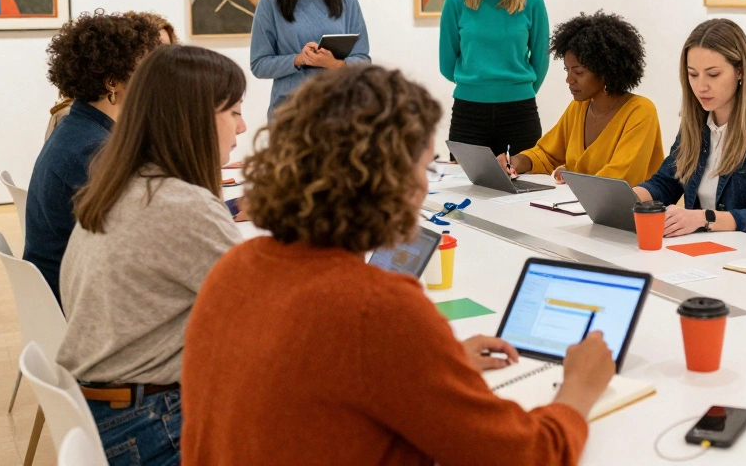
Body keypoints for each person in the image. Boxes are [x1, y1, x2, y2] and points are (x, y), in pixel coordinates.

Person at [181, 65, 616, 465]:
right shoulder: (377, 309)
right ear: (389, 177)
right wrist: (579, 388)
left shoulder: (236, 266)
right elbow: (529, 456)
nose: (426, 183)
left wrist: (431, 365)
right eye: (424, 167)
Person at [58, 45, 246, 465]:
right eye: (233, 112)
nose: (244, 126)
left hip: (105, 412)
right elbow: (270, 312)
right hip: (151, 424)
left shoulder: (121, 185)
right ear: (195, 118)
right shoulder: (180, 206)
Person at [24, 11, 164, 302]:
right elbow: (135, 240)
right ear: (113, 83)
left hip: (70, 284)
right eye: (145, 68)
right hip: (77, 299)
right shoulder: (91, 150)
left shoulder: (81, 129)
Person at [635, 19, 746, 236]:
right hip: (705, 251)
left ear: (740, 71)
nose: (701, 86)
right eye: (693, 74)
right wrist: (627, 198)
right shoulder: (695, 124)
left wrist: (704, 218)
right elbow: (666, 184)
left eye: (713, 74)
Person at [498, 11, 663, 186]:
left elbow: (618, 180)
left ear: (605, 72)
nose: (569, 80)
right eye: (567, 70)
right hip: (580, 208)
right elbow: (546, 154)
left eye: (578, 72)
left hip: (626, 211)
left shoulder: (640, 111)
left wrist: (573, 176)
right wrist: (515, 162)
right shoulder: (579, 107)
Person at [439, 0, 549, 156]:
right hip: (468, 114)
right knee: (465, 187)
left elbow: (541, 60)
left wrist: (516, 90)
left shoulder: (533, 1)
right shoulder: (455, 1)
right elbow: (446, 64)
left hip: (520, 114)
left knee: (527, 189)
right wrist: (476, 85)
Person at [45, 11, 177, 139]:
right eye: (141, 65)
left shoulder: (79, 122)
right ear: (112, 83)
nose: (148, 73)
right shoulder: (94, 143)